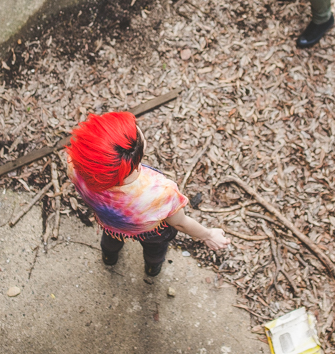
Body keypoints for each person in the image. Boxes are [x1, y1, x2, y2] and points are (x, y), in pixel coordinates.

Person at [66, 112, 230, 277]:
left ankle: (109, 257)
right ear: (137, 153)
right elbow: (180, 223)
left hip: (110, 221)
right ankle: (152, 268)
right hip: (151, 232)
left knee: (111, 239)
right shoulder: (160, 192)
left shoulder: (75, 167)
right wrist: (208, 235)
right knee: (155, 250)